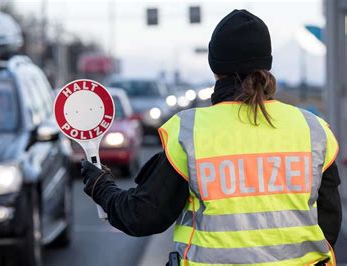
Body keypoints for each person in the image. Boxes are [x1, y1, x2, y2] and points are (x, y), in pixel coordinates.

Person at [81, 10, 342, 265]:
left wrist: (101, 187)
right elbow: (329, 224)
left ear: (215, 66)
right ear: (267, 64)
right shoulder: (313, 130)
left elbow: (143, 216)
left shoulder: (190, 132)